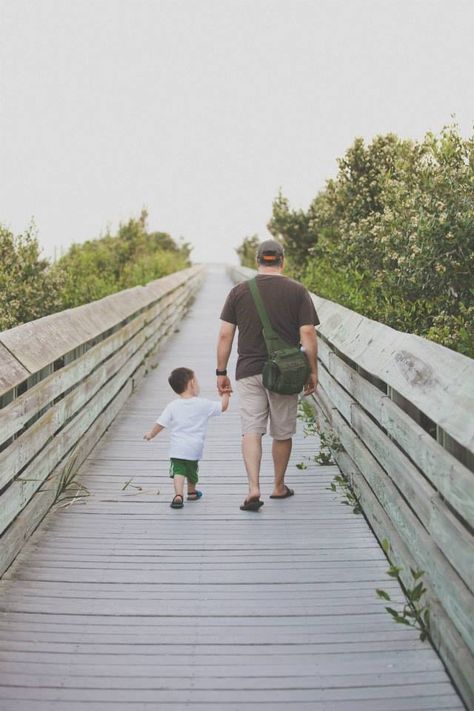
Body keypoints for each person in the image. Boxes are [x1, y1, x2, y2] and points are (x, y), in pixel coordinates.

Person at [216, 239, 319, 512]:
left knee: (251, 429)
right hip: (286, 373)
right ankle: (278, 486)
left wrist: (221, 372)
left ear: (257, 260)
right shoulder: (297, 291)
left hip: (248, 370)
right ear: (282, 260)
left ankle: (253, 487)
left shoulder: (239, 291)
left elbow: (226, 334)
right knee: (282, 431)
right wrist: (312, 370)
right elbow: (307, 334)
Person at [144, 367, 230, 509]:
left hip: (177, 448)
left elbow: (161, 423)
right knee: (192, 470)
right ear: (191, 384)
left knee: (178, 470)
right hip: (195, 447)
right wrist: (226, 393)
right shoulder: (203, 404)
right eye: (197, 381)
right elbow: (223, 406)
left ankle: (178, 495)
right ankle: (191, 491)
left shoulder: (172, 406)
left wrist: (151, 434)